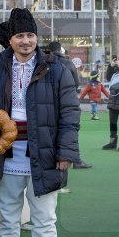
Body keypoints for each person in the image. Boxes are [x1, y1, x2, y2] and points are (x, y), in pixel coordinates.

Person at [0, 8, 80, 237]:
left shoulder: (56, 69)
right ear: (10, 40)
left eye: (30, 35)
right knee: (8, 217)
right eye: (20, 36)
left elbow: (70, 114)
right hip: (7, 153)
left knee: (44, 218)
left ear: (37, 38)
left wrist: (65, 152)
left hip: (46, 153)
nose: (26, 41)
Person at [46, 41, 91, 172]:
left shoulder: (44, 62)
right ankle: (75, 159)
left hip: (48, 103)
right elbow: (75, 83)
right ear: (60, 50)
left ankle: (54, 159)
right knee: (70, 128)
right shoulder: (68, 63)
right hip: (66, 101)